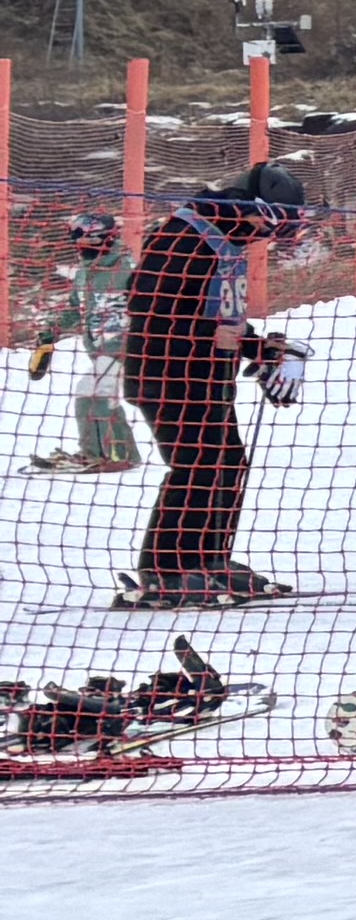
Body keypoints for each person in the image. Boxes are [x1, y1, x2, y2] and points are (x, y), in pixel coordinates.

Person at [121, 160, 305, 600]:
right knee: (197, 465)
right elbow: (145, 306)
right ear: (249, 207)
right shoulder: (183, 235)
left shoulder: (223, 239)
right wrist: (210, 335)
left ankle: (207, 557)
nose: (264, 234)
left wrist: (260, 350)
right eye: (266, 223)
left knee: (228, 463)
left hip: (205, 377)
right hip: (166, 374)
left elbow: (221, 320)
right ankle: (167, 568)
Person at [26, 211, 140, 471]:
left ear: (105, 240)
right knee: (97, 394)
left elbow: (149, 304)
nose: (82, 248)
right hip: (99, 348)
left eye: (89, 242)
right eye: (79, 243)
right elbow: (75, 307)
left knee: (92, 391)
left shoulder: (126, 268)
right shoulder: (84, 271)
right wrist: (50, 332)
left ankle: (105, 455)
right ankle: (120, 453)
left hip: (125, 345)